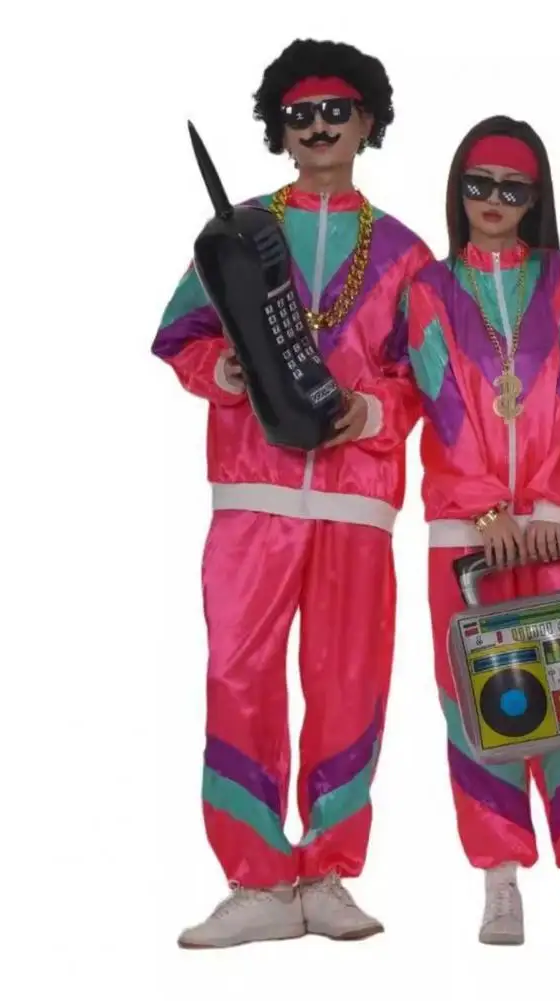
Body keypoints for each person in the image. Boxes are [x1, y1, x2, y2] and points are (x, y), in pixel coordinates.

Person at [152, 39, 431, 948]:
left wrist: (372, 409)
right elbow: (180, 336)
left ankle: (327, 873)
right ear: (279, 129)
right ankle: (258, 881)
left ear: (367, 123)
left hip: (358, 502)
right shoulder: (234, 236)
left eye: (335, 111)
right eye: (299, 115)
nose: (317, 127)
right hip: (252, 495)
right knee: (237, 675)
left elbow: (428, 376)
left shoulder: (404, 253)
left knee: (349, 679)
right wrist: (225, 370)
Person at [404, 116, 560, 947]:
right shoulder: (429, 290)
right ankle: (499, 883)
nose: (494, 201)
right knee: (478, 701)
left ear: (535, 199)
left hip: (556, 529)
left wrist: (546, 505)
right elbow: (440, 401)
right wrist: (484, 508)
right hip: (466, 538)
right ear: (457, 189)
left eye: (512, 188)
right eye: (479, 185)